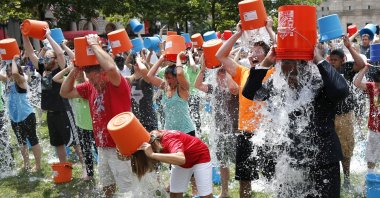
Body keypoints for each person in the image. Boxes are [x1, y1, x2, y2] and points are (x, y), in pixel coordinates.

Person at [242, 43, 349, 197]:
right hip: (291, 160)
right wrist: (266, 62)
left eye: (295, 65)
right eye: (284, 63)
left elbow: (340, 90)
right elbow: (251, 93)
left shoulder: (320, 83)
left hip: (324, 161)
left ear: (307, 66)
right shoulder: (278, 85)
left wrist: (318, 59)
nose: (290, 72)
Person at [60, 34, 134, 197]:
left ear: (103, 73)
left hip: (120, 146)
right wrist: (75, 70)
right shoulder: (89, 87)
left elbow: (111, 68)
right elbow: (64, 92)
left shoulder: (117, 83)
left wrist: (94, 45)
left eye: (94, 79)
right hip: (102, 146)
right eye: (90, 80)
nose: (92, 84)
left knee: (128, 190)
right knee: (107, 186)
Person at [215, 21, 275, 198]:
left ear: (268, 55)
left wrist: (270, 30)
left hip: (267, 133)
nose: (253, 55)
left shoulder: (274, 71)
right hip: (245, 132)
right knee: (244, 179)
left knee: (273, 177)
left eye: (258, 52)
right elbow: (220, 55)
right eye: (252, 51)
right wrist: (238, 34)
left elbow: (282, 50)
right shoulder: (243, 71)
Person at [22, 27, 78, 164]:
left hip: (63, 111)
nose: (45, 60)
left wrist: (48, 36)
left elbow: (59, 53)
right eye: (45, 57)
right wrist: (25, 35)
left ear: (56, 60)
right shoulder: (43, 71)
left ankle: (85, 169)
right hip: (51, 114)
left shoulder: (61, 68)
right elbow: (30, 52)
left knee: (75, 143)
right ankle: (64, 167)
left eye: (48, 58)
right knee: (57, 143)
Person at [328, 35, 366, 189]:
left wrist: (349, 46)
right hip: (330, 116)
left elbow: (362, 64)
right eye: (331, 59)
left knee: (346, 148)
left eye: (335, 60)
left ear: (342, 60)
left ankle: (347, 179)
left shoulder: (347, 69)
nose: (332, 62)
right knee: (330, 148)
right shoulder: (326, 70)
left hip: (345, 116)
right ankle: (334, 178)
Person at [132, 130, 213, 198]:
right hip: (184, 160)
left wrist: (152, 155)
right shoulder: (151, 140)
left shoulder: (169, 139)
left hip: (200, 156)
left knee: (205, 195)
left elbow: (181, 159)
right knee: (175, 195)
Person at [0, 56, 42, 172]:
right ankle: (26, 163)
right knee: (21, 142)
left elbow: (15, 73)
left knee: (33, 140)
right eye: (7, 70)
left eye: (10, 69)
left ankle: (38, 165)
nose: (9, 72)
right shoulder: (8, 81)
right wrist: (3, 62)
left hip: (27, 115)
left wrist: (13, 60)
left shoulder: (21, 79)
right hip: (15, 117)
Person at [146, 52, 196, 136]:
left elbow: (180, 73)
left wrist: (178, 57)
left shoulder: (182, 88)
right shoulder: (165, 87)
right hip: (169, 132)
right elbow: (150, 75)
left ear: (176, 78)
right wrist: (161, 59)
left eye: (169, 78)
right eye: (166, 78)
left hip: (186, 132)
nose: (167, 81)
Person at [354, 66, 380, 174]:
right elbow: (357, 83)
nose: (377, 85)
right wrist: (365, 68)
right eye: (376, 82)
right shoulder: (371, 87)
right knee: (371, 157)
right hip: (374, 128)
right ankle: (369, 178)